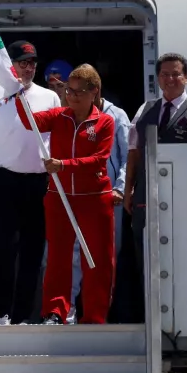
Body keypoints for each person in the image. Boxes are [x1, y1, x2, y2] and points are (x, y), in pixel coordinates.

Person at [123, 52, 187, 319]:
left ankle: (180, 315)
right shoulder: (144, 110)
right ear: (158, 78)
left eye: (176, 74)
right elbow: (134, 152)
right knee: (144, 256)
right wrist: (128, 191)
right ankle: (148, 314)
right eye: (164, 74)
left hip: (184, 200)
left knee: (181, 256)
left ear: (186, 78)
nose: (170, 79)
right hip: (147, 197)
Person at [14, 63, 116, 325]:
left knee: (97, 260)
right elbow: (28, 121)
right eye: (68, 91)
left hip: (94, 198)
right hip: (59, 196)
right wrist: (16, 92)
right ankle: (55, 312)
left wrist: (63, 165)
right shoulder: (59, 116)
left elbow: (99, 159)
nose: (71, 96)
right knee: (57, 257)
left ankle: (94, 316)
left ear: (93, 91)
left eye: (78, 92)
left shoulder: (104, 121)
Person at [0, 40, 61, 326]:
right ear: (11, 64)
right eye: (23, 62)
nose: (28, 67)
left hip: (39, 184)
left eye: (33, 62)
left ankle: (23, 316)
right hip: (5, 183)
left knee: (33, 254)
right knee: (4, 252)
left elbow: (58, 141)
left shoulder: (50, 98)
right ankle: (1, 313)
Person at [66, 79, 131, 323]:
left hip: (108, 197)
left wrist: (121, 188)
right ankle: (68, 312)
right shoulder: (71, 113)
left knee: (105, 257)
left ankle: (100, 314)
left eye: (81, 92)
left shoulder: (117, 116)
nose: (76, 96)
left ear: (96, 90)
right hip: (78, 195)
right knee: (72, 254)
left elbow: (127, 156)